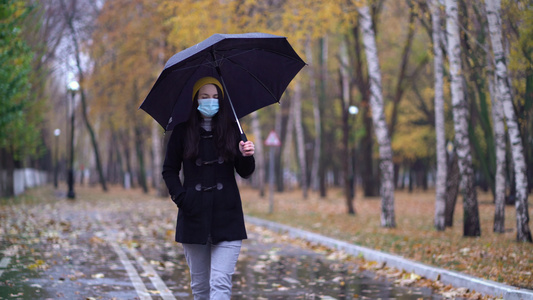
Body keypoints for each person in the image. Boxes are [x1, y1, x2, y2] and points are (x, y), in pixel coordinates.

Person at [162, 76, 255, 299]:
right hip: (193, 215)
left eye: (215, 97)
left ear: (221, 101)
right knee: (201, 287)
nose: (210, 101)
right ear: (196, 100)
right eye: (204, 97)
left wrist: (247, 155)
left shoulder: (233, 130)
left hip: (228, 217)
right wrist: (182, 198)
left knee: (220, 283)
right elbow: (169, 170)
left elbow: (245, 171)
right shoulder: (182, 132)